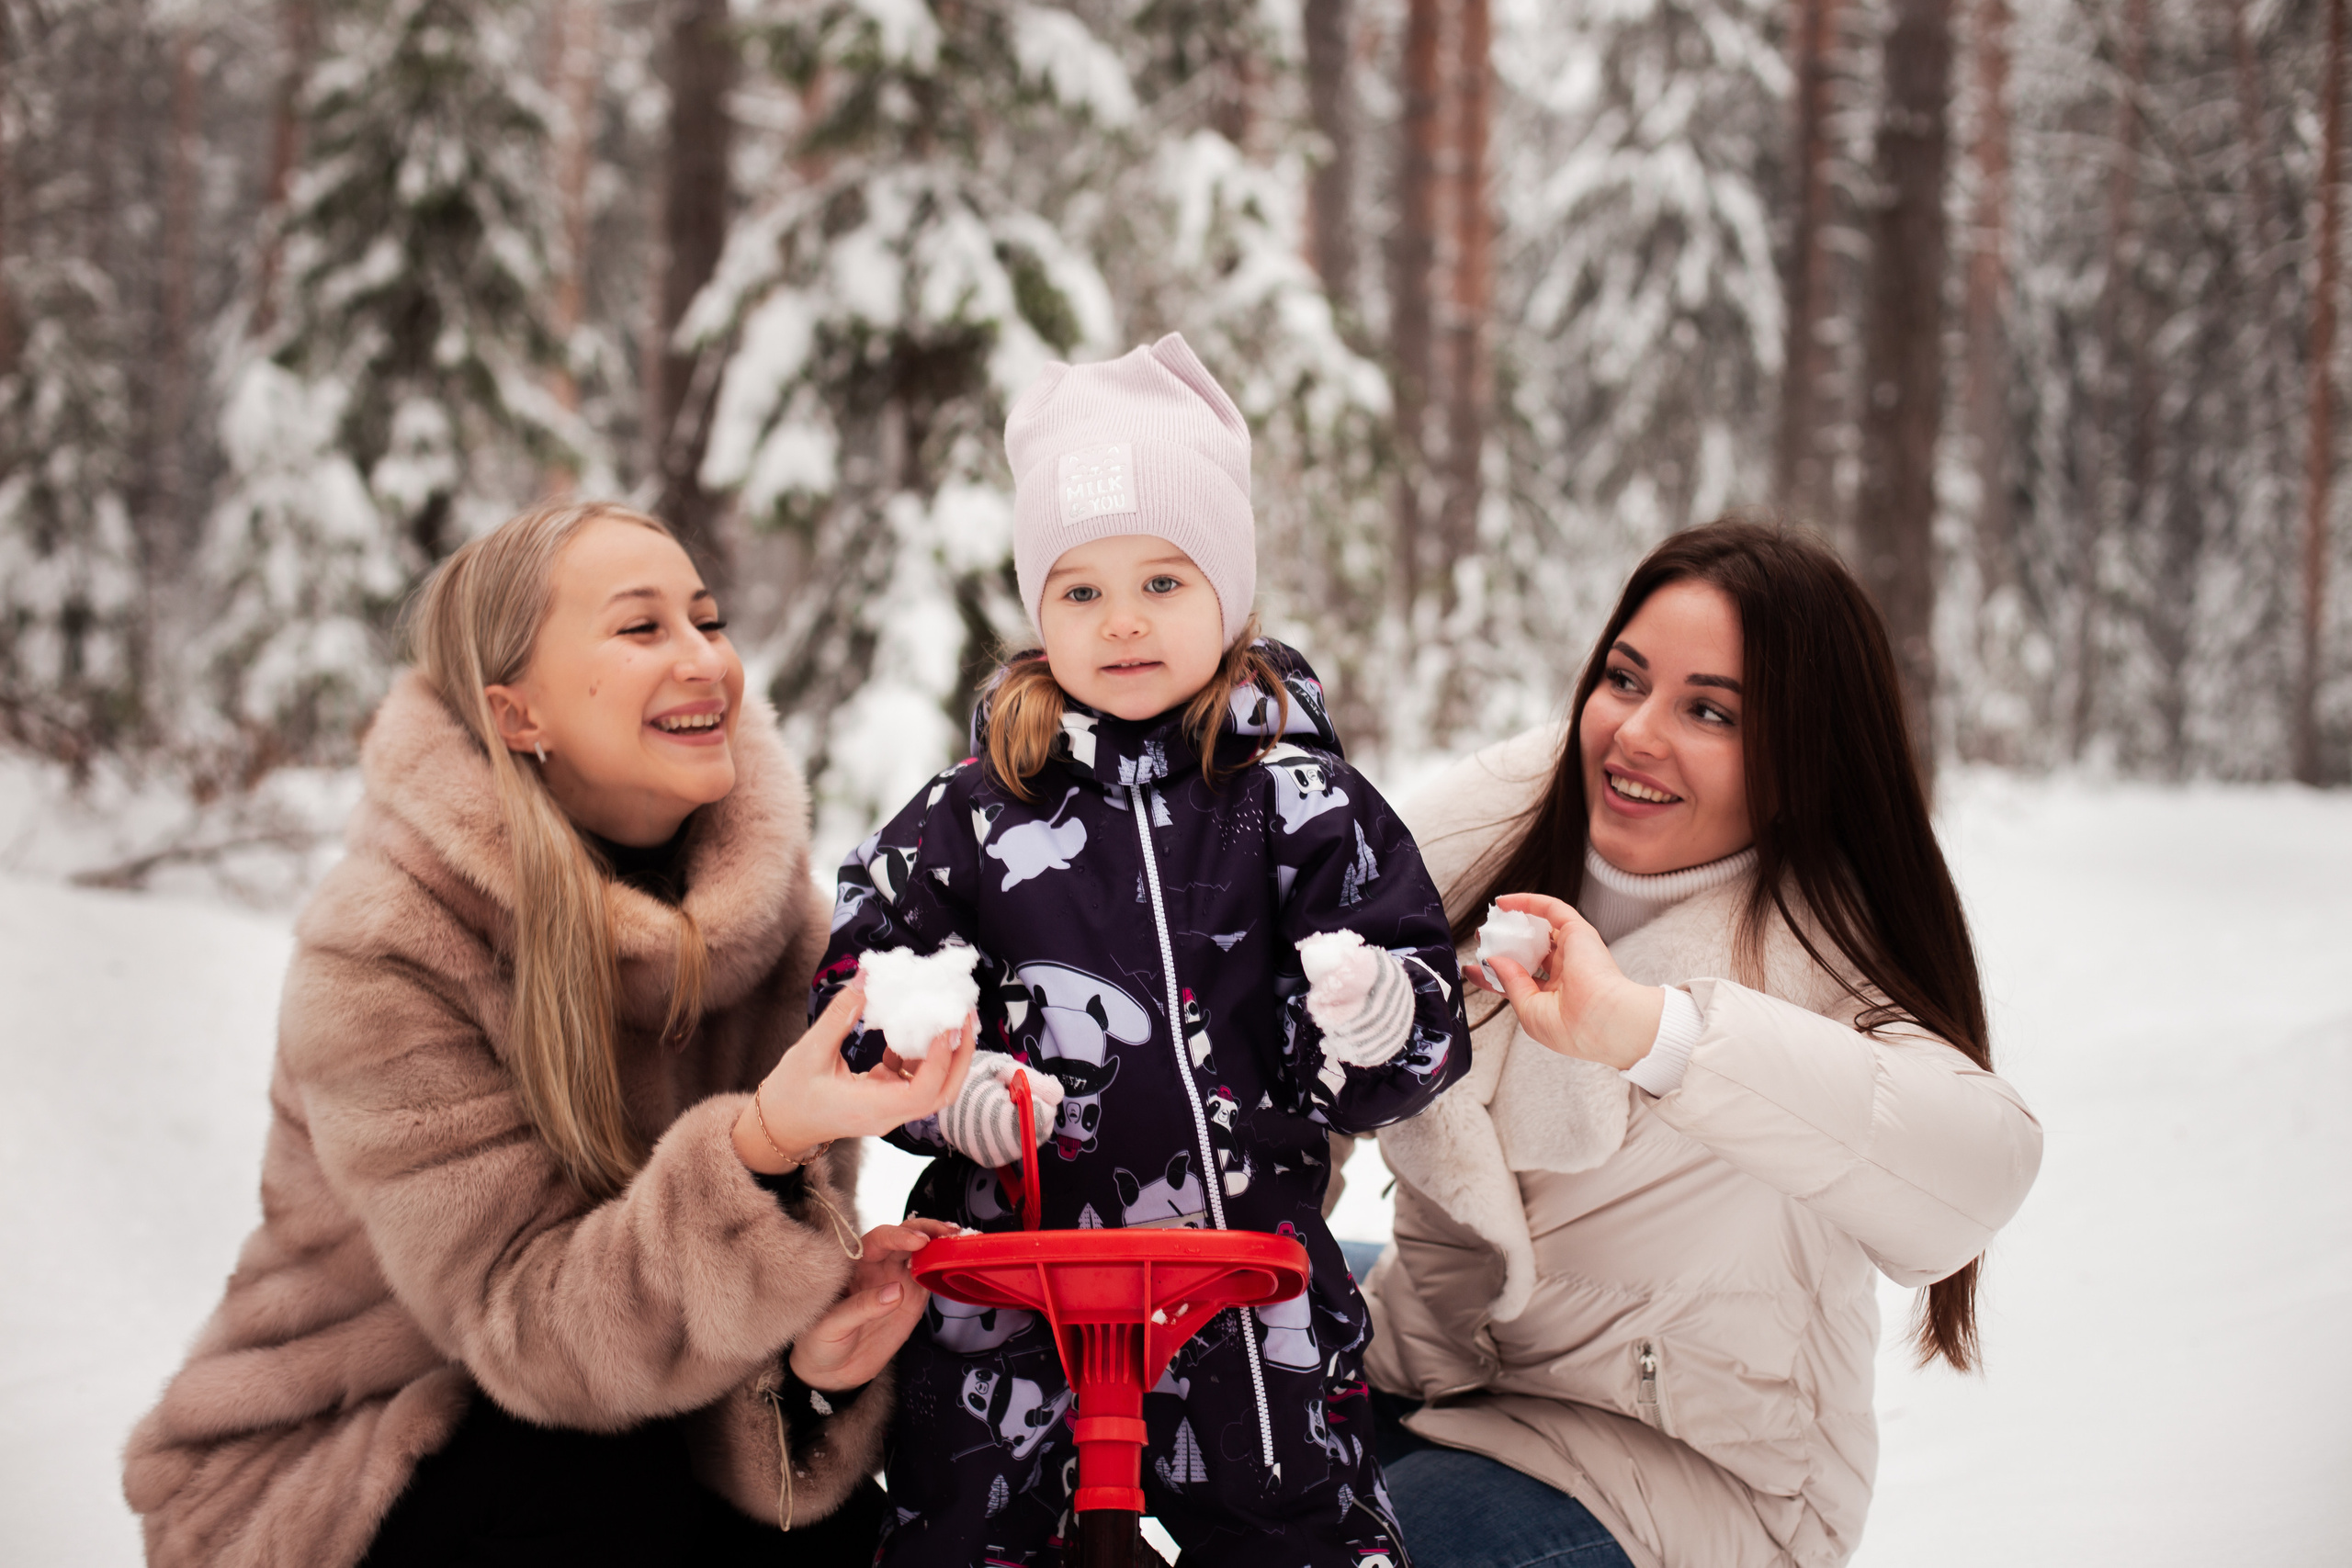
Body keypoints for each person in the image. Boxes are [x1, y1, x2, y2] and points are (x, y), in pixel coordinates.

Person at [123, 501, 979, 1568]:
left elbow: (692, 1352)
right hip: (337, 1472)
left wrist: (807, 1375)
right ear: (516, 714)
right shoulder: (387, 946)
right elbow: (531, 1338)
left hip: (635, 1434)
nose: (703, 660)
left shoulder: (775, 931)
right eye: (640, 628)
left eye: (706, 621)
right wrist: (756, 1146)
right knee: (584, 1490)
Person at [817, 334, 1472, 1566]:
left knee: (1309, 1538)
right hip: (1007, 1304)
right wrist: (940, 1086)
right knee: (963, 1540)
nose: (1122, 621)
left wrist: (1377, 1018)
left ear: (1228, 588)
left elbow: (1419, 1012)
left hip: (1242, 1293)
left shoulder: (1297, 803)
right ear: (1035, 606)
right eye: (1080, 589)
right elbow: (858, 996)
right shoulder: (969, 817)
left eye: (1164, 582)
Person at [1361, 520, 2044, 1568]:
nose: (1637, 732)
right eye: (1624, 680)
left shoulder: (1825, 948)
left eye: (1709, 711)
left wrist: (1655, 1033)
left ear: (1799, 757)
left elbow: (1981, 1168)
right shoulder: (1478, 844)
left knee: (1374, 1545)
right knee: (1163, 1350)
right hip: (1458, 1364)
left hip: (1689, 1480)